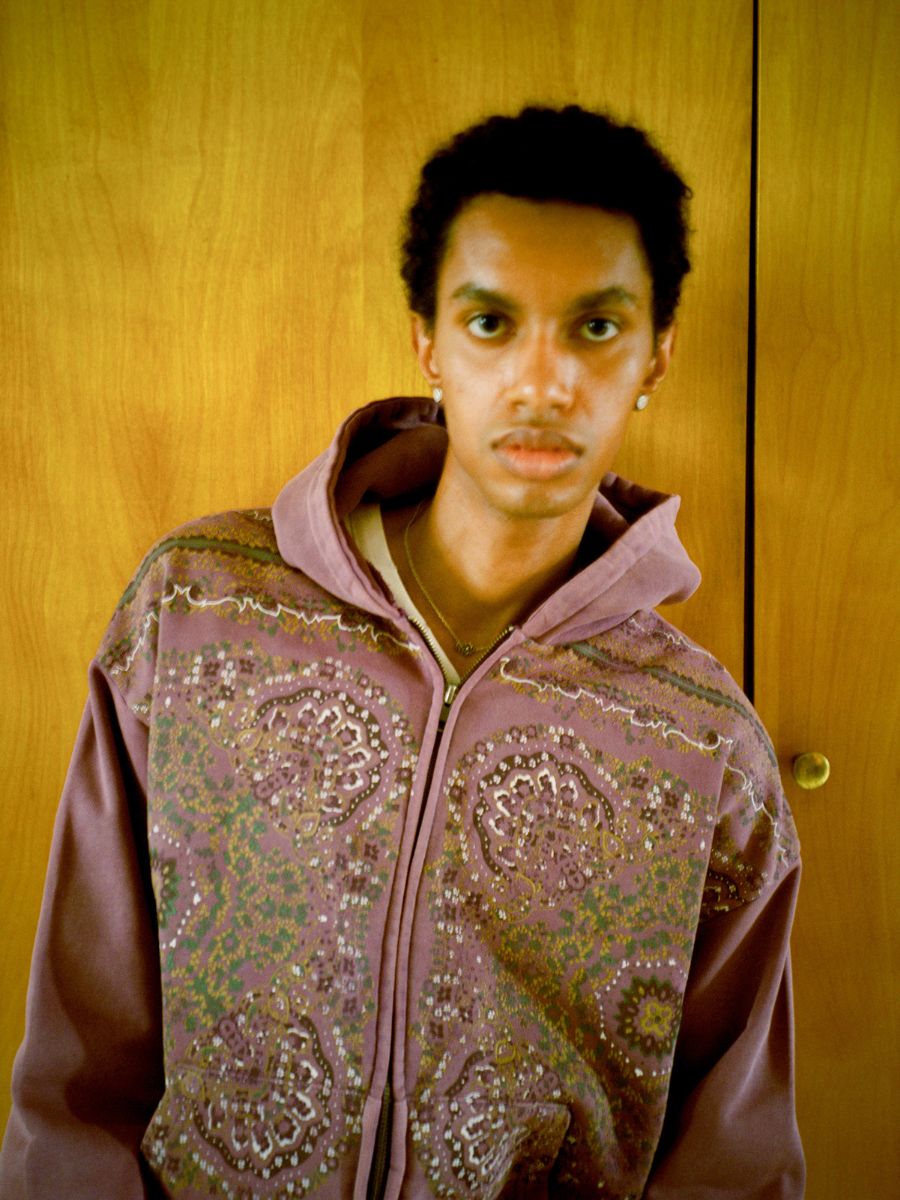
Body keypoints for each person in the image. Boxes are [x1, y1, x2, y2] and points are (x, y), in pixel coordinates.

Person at [0, 105, 804, 1199]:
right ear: (425, 338)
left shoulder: (707, 744)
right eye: (490, 322)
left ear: (656, 353)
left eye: (596, 327)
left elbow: (736, 1162)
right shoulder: (197, 609)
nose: (541, 380)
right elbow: (77, 1056)